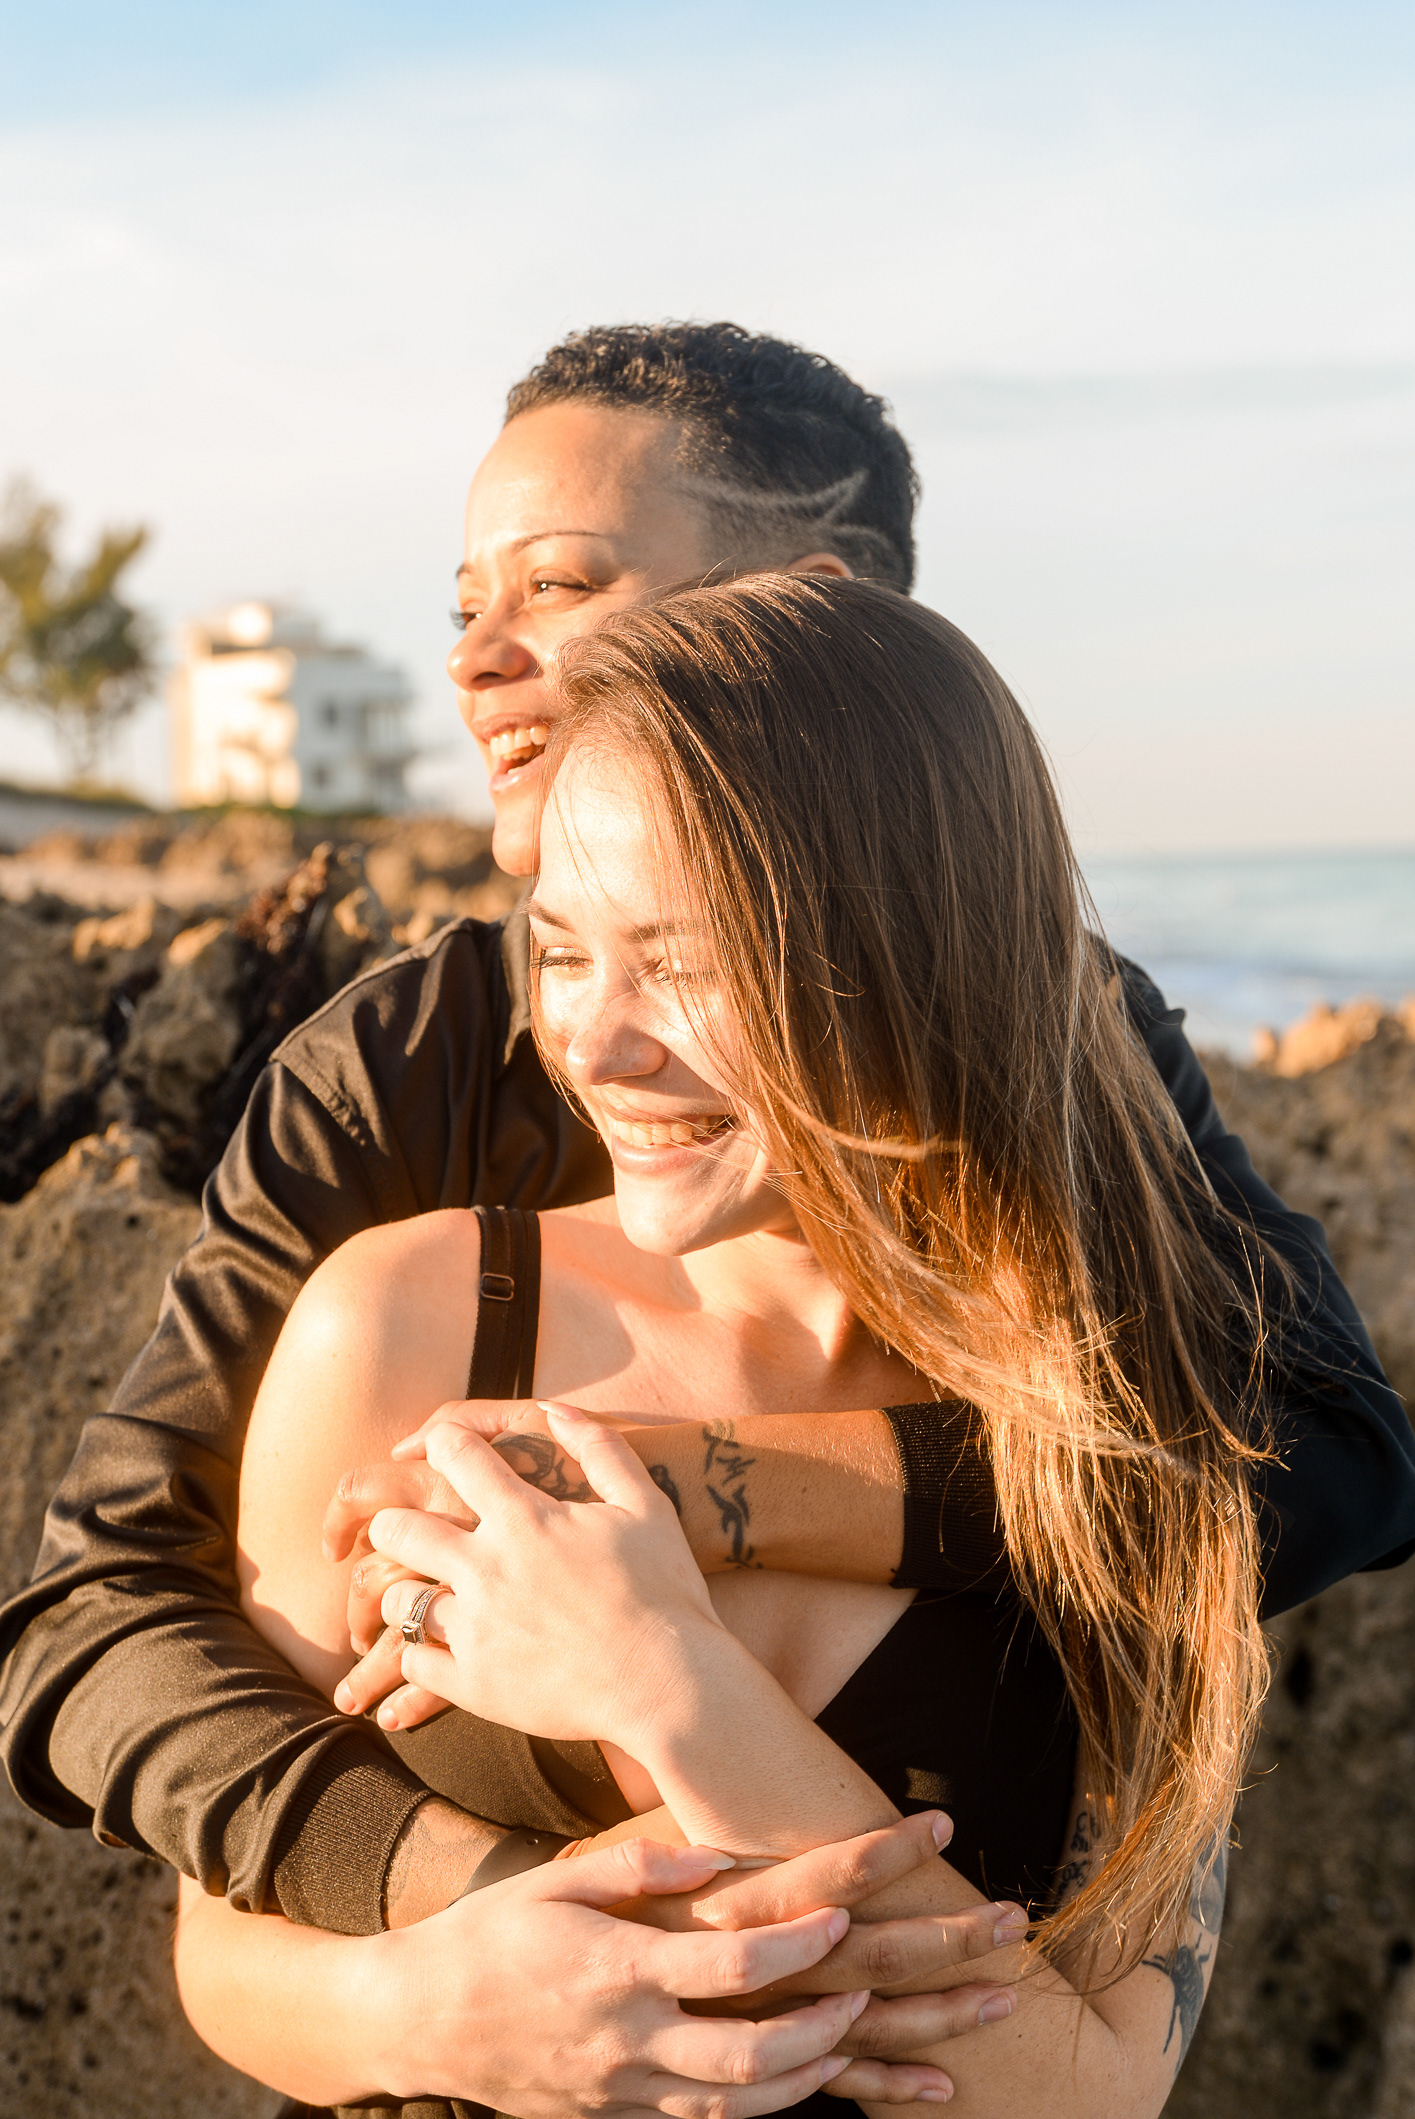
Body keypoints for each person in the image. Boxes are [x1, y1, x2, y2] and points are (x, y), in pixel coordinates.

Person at [3, 327, 1413, 2113]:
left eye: (561, 585)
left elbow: (1322, 1464)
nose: (476, 658)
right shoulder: (398, 1128)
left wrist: (675, 1556)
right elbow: (103, 1619)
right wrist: (481, 1947)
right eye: (464, 603)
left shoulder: (1093, 1204)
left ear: (815, 619)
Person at [180, 575, 1277, 2119]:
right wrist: (431, 2012)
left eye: (687, 963)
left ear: (915, 956)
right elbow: (223, 1946)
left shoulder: (1131, 1405)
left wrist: (665, 1684)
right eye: (565, 954)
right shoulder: (410, 1321)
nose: (596, 1043)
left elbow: (1087, 2093)